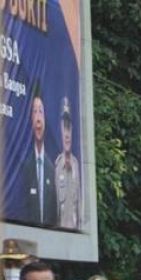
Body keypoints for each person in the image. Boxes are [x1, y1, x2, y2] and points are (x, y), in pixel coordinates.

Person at [20, 87, 57, 226]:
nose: (38, 118)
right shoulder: (25, 167)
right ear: (30, 119)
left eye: (40, 111)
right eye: (34, 112)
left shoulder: (52, 168)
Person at [54, 98, 82, 229]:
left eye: (68, 128)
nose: (67, 135)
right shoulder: (55, 167)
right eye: (64, 128)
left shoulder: (78, 166)